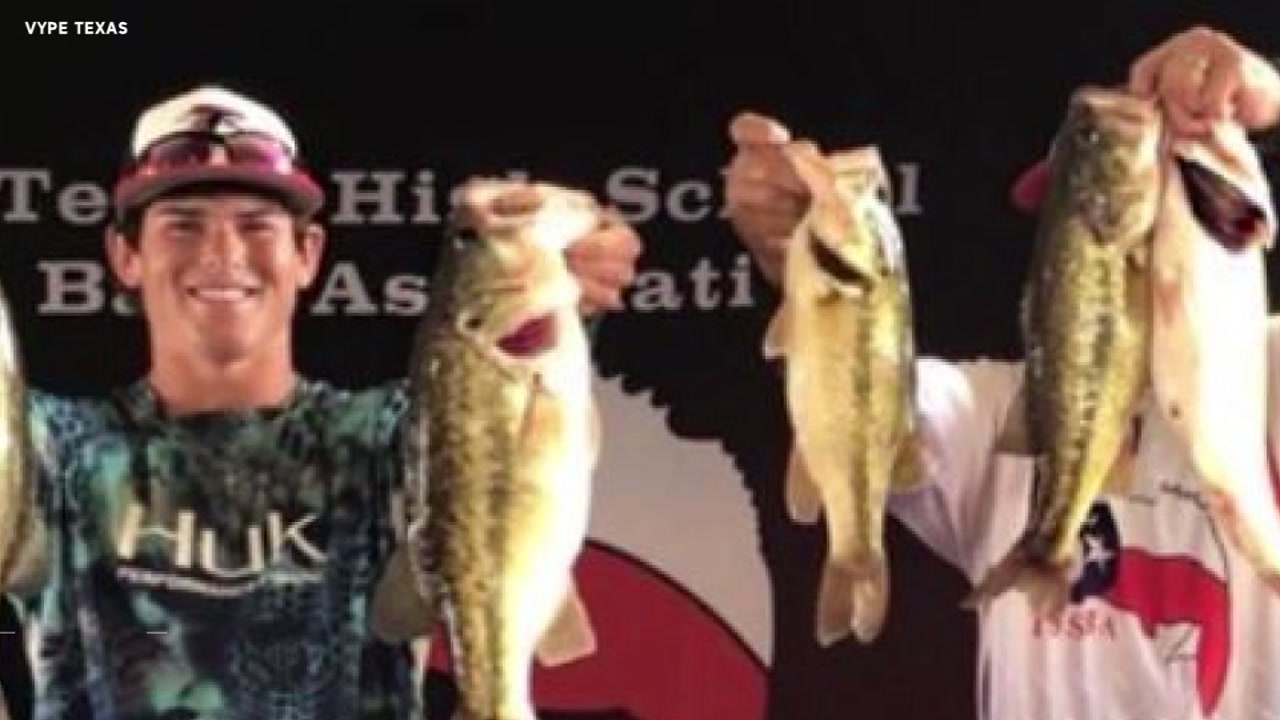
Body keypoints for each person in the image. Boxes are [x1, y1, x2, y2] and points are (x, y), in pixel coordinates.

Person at [0, 85, 641, 720]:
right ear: (126, 256)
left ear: (307, 255)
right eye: (184, 225)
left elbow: (506, 399)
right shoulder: (50, 448)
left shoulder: (394, 437)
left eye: (256, 226)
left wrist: (568, 263)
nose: (223, 253)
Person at [724, 25, 1280, 720]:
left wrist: (1268, 93)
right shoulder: (995, 412)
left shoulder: (1265, 377)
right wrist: (802, 255)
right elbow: (866, 384)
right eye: (1067, 225)